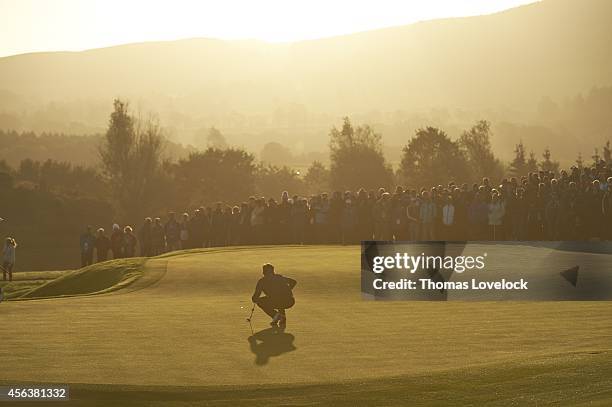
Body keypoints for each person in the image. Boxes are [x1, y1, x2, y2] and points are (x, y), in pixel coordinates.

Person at [251, 263, 297, 328]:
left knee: (261, 301)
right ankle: (281, 318)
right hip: (290, 301)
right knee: (278, 299)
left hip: (280, 301)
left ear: (263, 272)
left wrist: (254, 299)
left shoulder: (262, 281)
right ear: (273, 271)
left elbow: (256, 296)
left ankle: (275, 315)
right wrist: (288, 290)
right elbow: (293, 282)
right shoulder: (279, 278)